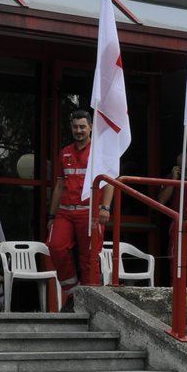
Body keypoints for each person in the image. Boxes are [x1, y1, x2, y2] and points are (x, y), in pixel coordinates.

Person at [47, 110, 113, 296]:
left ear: (91, 127)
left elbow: (109, 182)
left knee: (89, 257)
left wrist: (105, 208)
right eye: (75, 127)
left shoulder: (99, 152)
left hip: (90, 212)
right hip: (65, 212)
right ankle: (71, 292)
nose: (79, 130)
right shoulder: (65, 152)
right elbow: (59, 186)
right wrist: (52, 215)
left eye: (82, 126)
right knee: (55, 246)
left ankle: (91, 297)